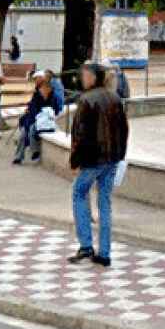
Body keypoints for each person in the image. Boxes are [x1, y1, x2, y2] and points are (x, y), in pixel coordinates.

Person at [68, 62, 128, 267]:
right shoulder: (114, 98)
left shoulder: (86, 100)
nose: (82, 79)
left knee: (79, 193)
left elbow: (79, 135)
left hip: (93, 159)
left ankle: (86, 244)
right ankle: (104, 252)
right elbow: (124, 129)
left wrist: (74, 161)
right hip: (111, 158)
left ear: (94, 77)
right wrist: (119, 154)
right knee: (105, 203)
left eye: (85, 75)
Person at [13, 70, 63, 165]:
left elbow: (55, 109)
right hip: (33, 118)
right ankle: (18, 156)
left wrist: (42, 111)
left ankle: (35, 152)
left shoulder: (52, 94)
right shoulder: (37, 92)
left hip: (43, 120)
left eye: (37, 79)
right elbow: (33, 105)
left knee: (31, 129)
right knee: (23, 133)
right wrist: (29, 108)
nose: (35, 81)